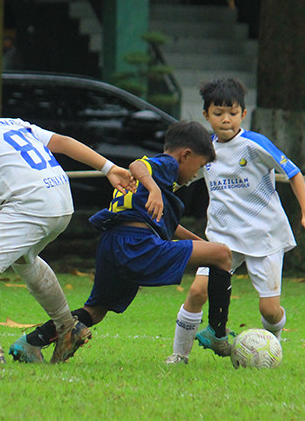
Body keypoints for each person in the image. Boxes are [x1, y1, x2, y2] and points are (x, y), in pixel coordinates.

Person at [0, 92, 134, 364]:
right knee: (25, 259)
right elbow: (64, 143)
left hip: (29, 204)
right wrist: (109, 168)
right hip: (62, 199)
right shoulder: (13, 123)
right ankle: (67, 327)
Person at [15, 120, 232, 364]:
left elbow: (171, 227)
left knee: (95, 312)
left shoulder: (160, 185)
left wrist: (204, 245)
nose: (195, 175)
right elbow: (137, 165)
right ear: (186, 155)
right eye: (199, 166)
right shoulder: (165, 165)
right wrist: (153, 188)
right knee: (223, 255)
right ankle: (217, 333)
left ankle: (31, 342)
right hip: (135, 245)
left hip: (113, 243)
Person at [166, 77, 305, 365]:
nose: (225, 119)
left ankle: (271, 349)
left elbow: (294, 173)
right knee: (196, 291)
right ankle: (179, 356)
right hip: (221, 239)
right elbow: (183, 177)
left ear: (243, 114)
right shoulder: (206, 151)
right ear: (206, 115)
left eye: (232, 112)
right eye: (218, 113)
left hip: (263, 236)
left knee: (269, 310)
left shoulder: (255, 145)